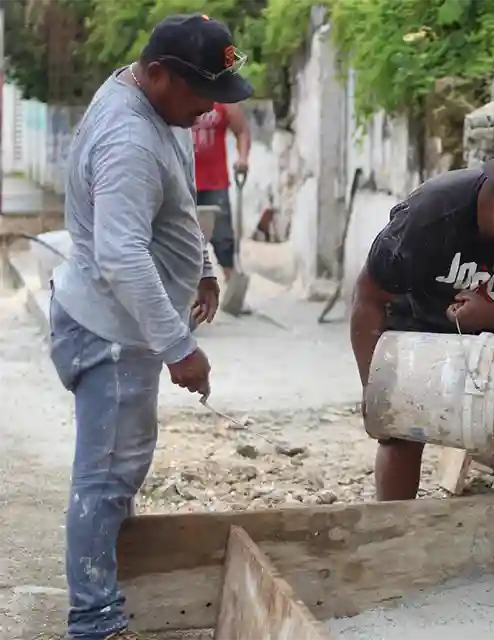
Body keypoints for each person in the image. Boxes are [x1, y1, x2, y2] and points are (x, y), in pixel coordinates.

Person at [46, 13, 253, 640]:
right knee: (105, 478)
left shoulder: (160, 107)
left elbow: (176, 204)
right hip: (111, 332)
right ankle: (94, 622)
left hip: (124, 326)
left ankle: (112, 592)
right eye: (200, 93)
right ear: (158, 73)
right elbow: (122, 254)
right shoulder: (128, 140)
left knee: (118, 473)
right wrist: (178, 346)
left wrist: (205, 265)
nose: (208, 109)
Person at [350, 154, 494, 501]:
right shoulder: (431, 215)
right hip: (420, 314)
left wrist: (493, 314)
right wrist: (374, 387)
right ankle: (394, 528)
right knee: (400, 429)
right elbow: (368, 297)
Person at [192, 101, 251, 282]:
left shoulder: (222, 100)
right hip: (181, 181)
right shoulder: (178, 92)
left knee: (223, 237)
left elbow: (241, 130)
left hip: (214, 182)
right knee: (181, 238)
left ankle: (232, 283)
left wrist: (242, 158)